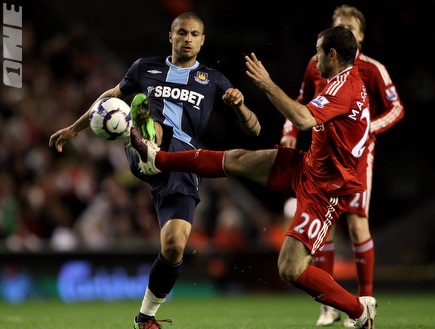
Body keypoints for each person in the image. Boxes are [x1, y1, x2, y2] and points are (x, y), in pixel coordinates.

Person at [130, 26, 378, 329]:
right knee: (237, 159)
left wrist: (267, 84)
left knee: (290, 268)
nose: (314, 58)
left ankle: (359, 311)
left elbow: (303, 118)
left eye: (318, 51)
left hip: (326, 187)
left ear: (333, 54)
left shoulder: (344, 86)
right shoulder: (344, 81)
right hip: (309, 165)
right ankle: (159, 158)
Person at [49, 11, 261, 329]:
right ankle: (143, 133)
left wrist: (239, 106)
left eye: (193, 34)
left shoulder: (214, 80)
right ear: (170, 36)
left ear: (202, 41)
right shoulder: (144, 67)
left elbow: (254, 130)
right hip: (147, 151)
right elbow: (108, 98)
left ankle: (145, 317)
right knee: (153, 123)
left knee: (175, 245)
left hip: (185, 166)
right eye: (181, 33)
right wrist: (74, 128)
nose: (187, 38)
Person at [280, 5, 404, 327]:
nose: (345, 31)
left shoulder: (373, 69)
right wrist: (290, 131)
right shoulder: (316, 63)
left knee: (357, 224)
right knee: (326, 229)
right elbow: (301, 99)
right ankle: (329, 305)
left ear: (360, 36)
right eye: (339, 27)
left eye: (350, 27)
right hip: (323, 154)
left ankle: (365, 299)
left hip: (359, 157)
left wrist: (368, 128)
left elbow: (396, 108)